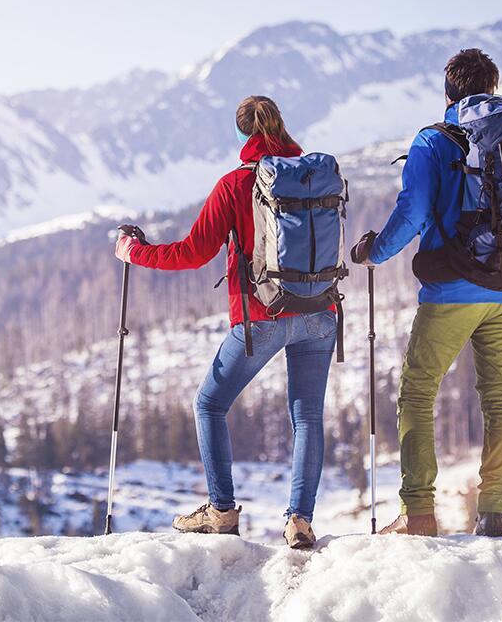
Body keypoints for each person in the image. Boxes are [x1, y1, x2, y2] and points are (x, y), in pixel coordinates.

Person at [115, 96, 337, 549]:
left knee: (210, 404)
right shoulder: (316, 176)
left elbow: (192, 253)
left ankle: (221, 511)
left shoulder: (236, 184)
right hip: (320, 311)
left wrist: (134, 252)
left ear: (241, 137)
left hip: (263, 317)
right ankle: (300, 521)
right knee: (308, 416)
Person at [351, 49, 502, 537]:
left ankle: (419, 513)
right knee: (498, 396)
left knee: (417, 392)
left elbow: (412, 212)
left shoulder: (434, 140)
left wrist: (374, 253)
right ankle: (494, 512)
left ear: (448, 92)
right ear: (491, 88)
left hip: (453, 288)